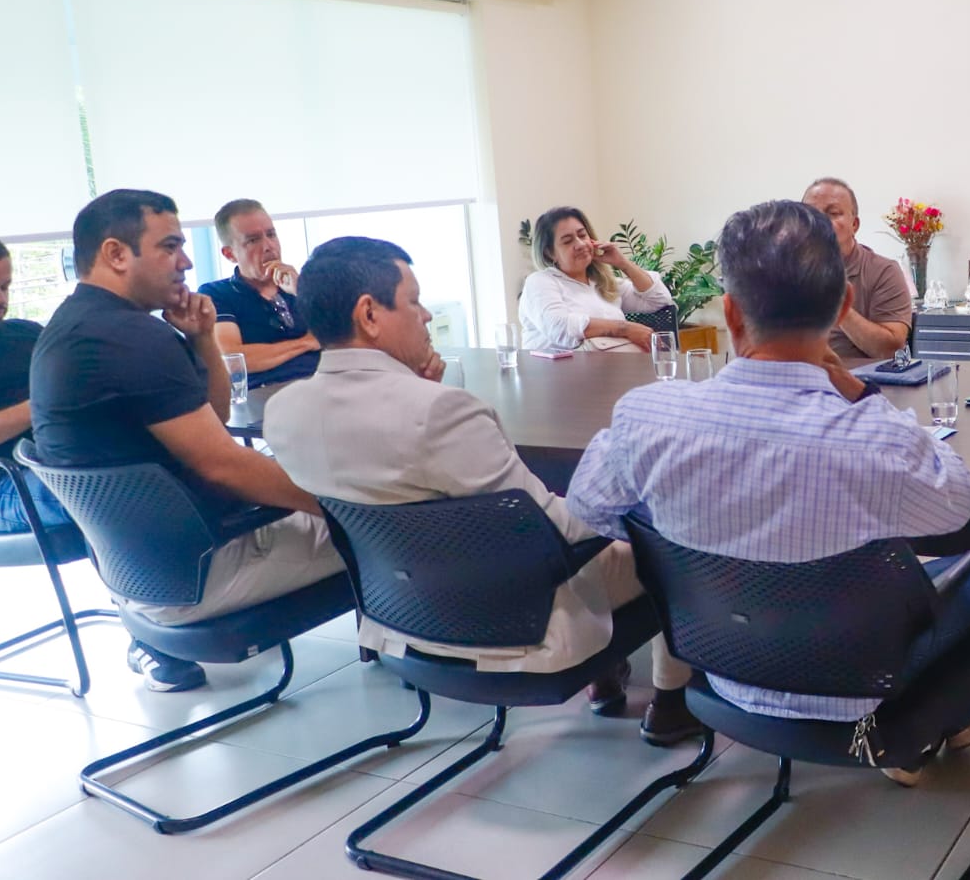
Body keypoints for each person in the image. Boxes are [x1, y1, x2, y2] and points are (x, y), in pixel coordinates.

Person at [567, 200, 970, 787]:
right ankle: (940, 722)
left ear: (730, 311)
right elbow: (958, 503)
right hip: (862, 685)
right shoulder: (873, 437)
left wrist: (695, 522)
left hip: (722, 669)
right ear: (842, 307)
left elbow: (589, 507)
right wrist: (864, 397)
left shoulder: (648, 416)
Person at [266, 236, 702, 746]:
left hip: (402, 615)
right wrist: (629, 480)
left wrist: (423, 389)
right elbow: (560, 532)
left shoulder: (284, 412)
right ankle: (671, 700)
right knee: (664, 539)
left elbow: (398, 476)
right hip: (517, 620)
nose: (426, 316)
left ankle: (607, 678)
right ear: (369, 314)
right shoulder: (441, 411)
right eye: (413, 301)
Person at [27, 190, 344, 690]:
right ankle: (440, 655)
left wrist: (201, 338)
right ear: (115, 254)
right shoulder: (129, 338)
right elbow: (223, 464)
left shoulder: (78, 325)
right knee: (396, 522)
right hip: (201, 572)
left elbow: (214, 421)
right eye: (170, 246)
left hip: (143, 577)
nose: (186, 262)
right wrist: (345, 506)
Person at [198, 199, 320, 388]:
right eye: (253, 240)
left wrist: (301, 291)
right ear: (230, 254)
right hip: (265, 392)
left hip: (322, 385)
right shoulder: (217, 293)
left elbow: (343, 339)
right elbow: (233, 360)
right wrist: (307, 342)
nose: (268, 246)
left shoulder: (303, 285)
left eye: (271, 234)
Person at [518, 207, 673, 354]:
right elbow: (559, 328)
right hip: (562, 371)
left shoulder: (604, 283)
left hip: (616, 367)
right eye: (567, 241)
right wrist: (625, 329)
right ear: (550, 253)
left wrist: (623, 263)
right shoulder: (539, 282)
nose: (580, 244)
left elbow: (659, 300)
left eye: (582, 235)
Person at [0, 238, 73, 536]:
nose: (1, 299)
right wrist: (45, 403)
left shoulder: (27, 333)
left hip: (63, 455)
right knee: (98, 488)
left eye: (4, 287)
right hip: (8, 481)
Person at [801, 177, 913, 360]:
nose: (819, 221)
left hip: (857, 376)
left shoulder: (883, 272)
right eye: (811, 214)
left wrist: (838, 304)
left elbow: (891, 350)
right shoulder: (785, 269)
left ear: (854, 224)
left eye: (833, 213)